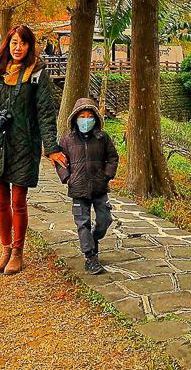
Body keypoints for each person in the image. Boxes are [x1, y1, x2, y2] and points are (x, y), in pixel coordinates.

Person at [0, 25, 67, 276]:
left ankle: (18, 251)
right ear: (7, 45)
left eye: (23, 43)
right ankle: (5, 248)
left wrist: (50, 147)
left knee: (18, 200)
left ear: (30, 46)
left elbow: (46, 114)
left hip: (24, 144)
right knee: (0, 200)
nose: (18, 48)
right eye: (14, 43)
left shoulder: (37, 73)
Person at [55, 97, 119, 275]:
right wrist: (67, 178)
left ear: (95, 118)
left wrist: (106, 175)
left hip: (99, 188)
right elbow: (60, 162)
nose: (85, 119)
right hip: (78, 189)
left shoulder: (102, 138)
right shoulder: (67, 140)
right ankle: (90, 257)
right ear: (75, 118)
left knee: (105, 219)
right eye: (82, 115)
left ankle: (94, 238)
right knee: (82, 223)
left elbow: (113, 157)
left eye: (89, 115)